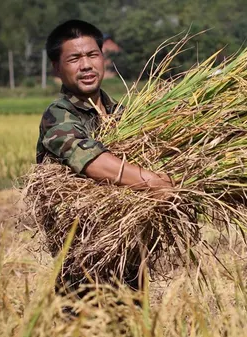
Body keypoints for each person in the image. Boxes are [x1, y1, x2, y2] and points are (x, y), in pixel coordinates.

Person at [36, 19, 174, 297]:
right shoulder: (59, 115)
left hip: (131, 257)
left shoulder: (124, 115)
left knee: (135, 335)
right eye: (74, 58)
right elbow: (92, 161)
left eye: (92, 55)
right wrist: (156, 183)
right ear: (57, 68)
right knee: (83, 335)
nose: (86, 65)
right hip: (83, 263)